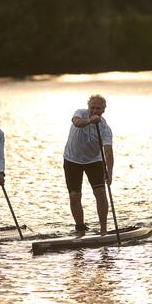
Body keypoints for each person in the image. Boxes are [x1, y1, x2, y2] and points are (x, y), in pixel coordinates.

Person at [63, 94, 113, 236]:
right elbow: (77, 123)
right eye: (93, 107)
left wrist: (109, 173)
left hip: (94, 161)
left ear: (103, 110)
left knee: (101, 193)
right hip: (72, 160)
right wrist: (90, 121)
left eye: (99, 108)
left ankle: (103, 230)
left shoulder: (105, 129)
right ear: (88, 107)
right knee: (74, 195)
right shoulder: (80, 113)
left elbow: (108, 152)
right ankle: (80, 229)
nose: (95, 110)